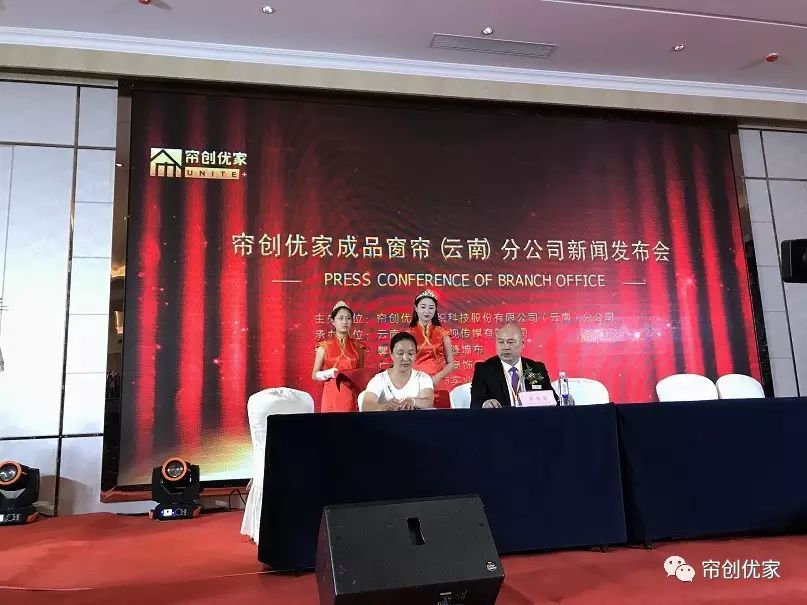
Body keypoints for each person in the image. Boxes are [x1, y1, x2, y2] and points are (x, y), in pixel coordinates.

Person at [470, 322, 557, 408]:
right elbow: (475, 402)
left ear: (522, 344)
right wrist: (485, 403)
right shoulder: (484, 369)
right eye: (501, 342)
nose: (505, 347)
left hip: (532, 416)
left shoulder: (536, 368)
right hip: (501, 416)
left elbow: (554, 400)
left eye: (510, 342)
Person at [312, 301, 366, 413]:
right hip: (332, 394)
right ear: (333, 321)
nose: (344, 322)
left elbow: (361, 374)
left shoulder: (358, 346)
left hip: (351, 394)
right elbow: (314, 375)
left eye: (348, 318)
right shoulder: (324, 346)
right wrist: (329, 373)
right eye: (340, 318)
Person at [362, 332, 434, 411]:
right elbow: (366, 406)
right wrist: (384, 407)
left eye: (410, 353)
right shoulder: (380, 379)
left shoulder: (422, 378)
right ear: (391, 354)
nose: (405, 358)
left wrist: (412, 401)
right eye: (400, 353)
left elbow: (428, 401)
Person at [406, 289, 456, 388]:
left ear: (435, 309)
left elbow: (451, 363)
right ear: (416, 308)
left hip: (437, 383)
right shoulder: (407, 334)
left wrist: (436, 378)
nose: (427, 311)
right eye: (423, 307)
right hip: (414, 383)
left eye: (431, 308)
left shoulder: (443, 333)